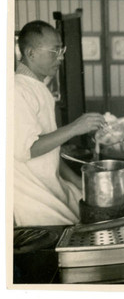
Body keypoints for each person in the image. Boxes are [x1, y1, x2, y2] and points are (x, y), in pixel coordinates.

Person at [14, 20, 105, 226]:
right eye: (54, 51)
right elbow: (27, 149)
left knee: (91, 211)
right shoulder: (16, 90)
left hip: (53, 187)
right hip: (34, 197)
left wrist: (78, 183)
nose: (61, 57)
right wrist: (74, 128)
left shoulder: (37, 87)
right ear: (31, 54)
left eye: (61, 50)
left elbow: (50, 147)